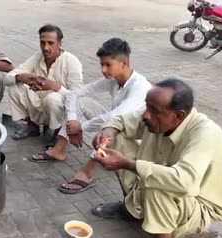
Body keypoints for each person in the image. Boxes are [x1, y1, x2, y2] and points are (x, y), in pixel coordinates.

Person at [91, 79, 222, 238]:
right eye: (146, 106)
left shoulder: (206, 133)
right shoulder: (156, 115)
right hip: (172, 188)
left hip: (201, 204)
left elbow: (184, 182)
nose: (146, 115)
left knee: (160, 181)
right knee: (119, 137)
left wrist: (127, 164)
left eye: (154, 110)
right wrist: (107, 133)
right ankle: (132, 208)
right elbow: (121, 121)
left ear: (178, 116)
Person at [28, 38, 151, 194]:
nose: (103, 70)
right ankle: (58, 150)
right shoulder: (114, 80)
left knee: (110, 130)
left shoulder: (139, 87)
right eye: (101, 65)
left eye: (108, 65)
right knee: (82, 102)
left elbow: (115, 118)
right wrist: (73, 120)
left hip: (138, 143)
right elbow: (75, 94)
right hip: (117, 125)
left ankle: (86, 174)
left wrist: (80, 128)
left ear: (124, 62)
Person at [5, 24, 83, 149]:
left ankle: (58, 134)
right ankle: (32, 126)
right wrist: (20, 77)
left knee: (53, 98)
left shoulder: (71, 61)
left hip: (60, 109)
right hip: (40, 106)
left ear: (59, 44)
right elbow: (7, 79)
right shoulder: (37, 57)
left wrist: (55, 87)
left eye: (51, 43)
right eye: (43, 43)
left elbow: (78, 96)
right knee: (14, 86)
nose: (46, 48)